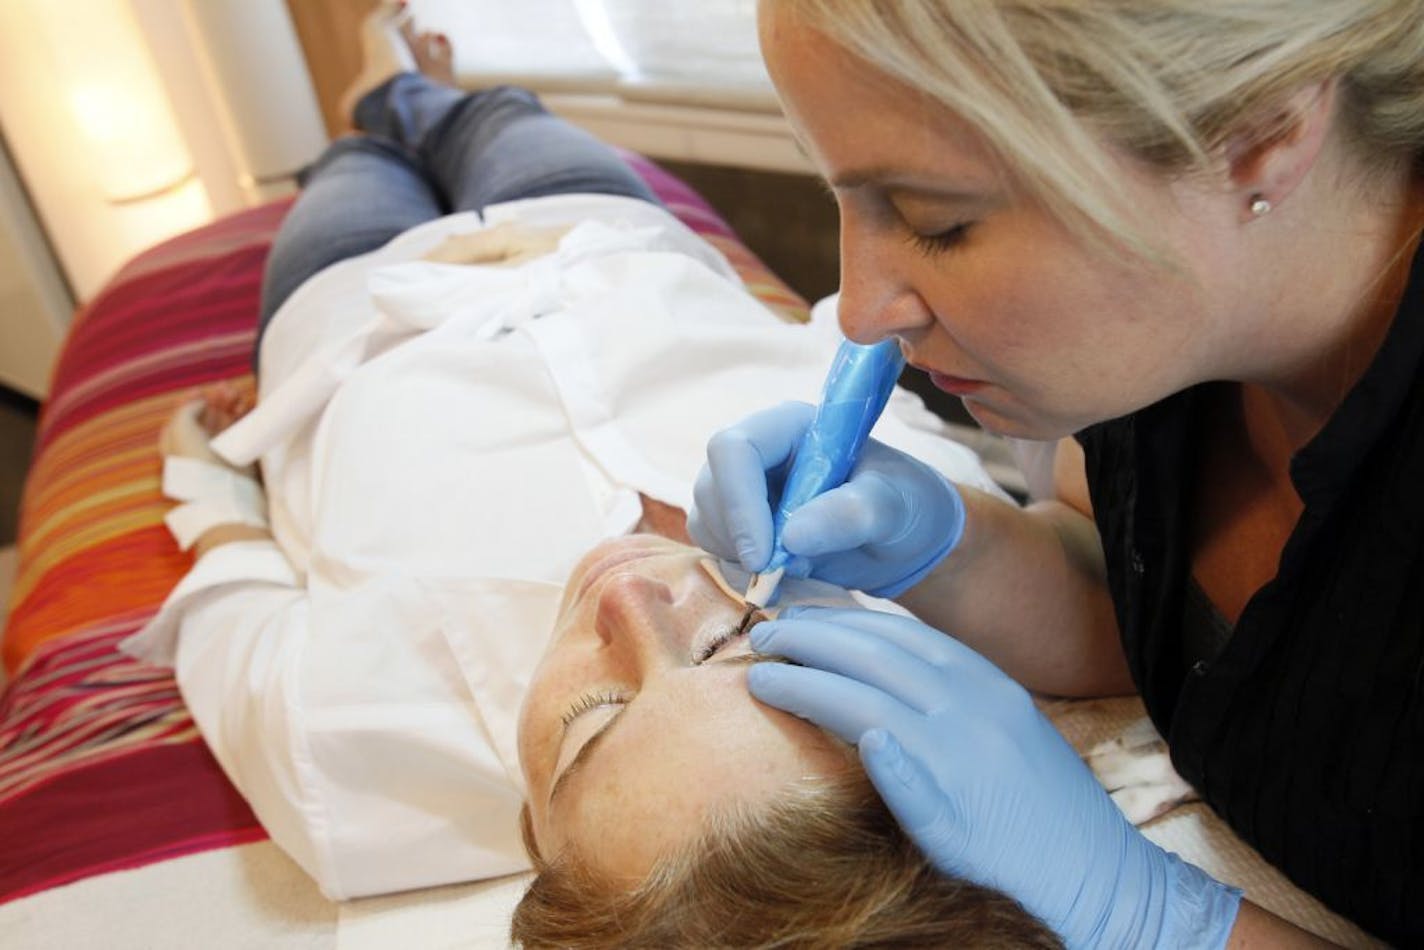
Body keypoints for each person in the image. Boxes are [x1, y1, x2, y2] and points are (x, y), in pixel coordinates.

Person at [122, 9, 1063, 947]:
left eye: (585, 723)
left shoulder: (355, 774)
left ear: (536, 829)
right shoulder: (946, 592)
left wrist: (207, 479)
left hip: (353, 307)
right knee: (484, 113)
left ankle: (369, 111)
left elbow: (231, 613)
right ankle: (406, 84)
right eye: (740, 640)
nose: (624, 596)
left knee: (349, 164)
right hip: (603, 245)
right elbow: (859, 351)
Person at [690, 2, 1424, 947]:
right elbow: (1168, 624)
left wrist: (1149, 918)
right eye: (844, 195)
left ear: (1262, 126)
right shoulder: (1160, 350)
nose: (860, 312)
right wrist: (941, 551)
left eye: (936, 221)